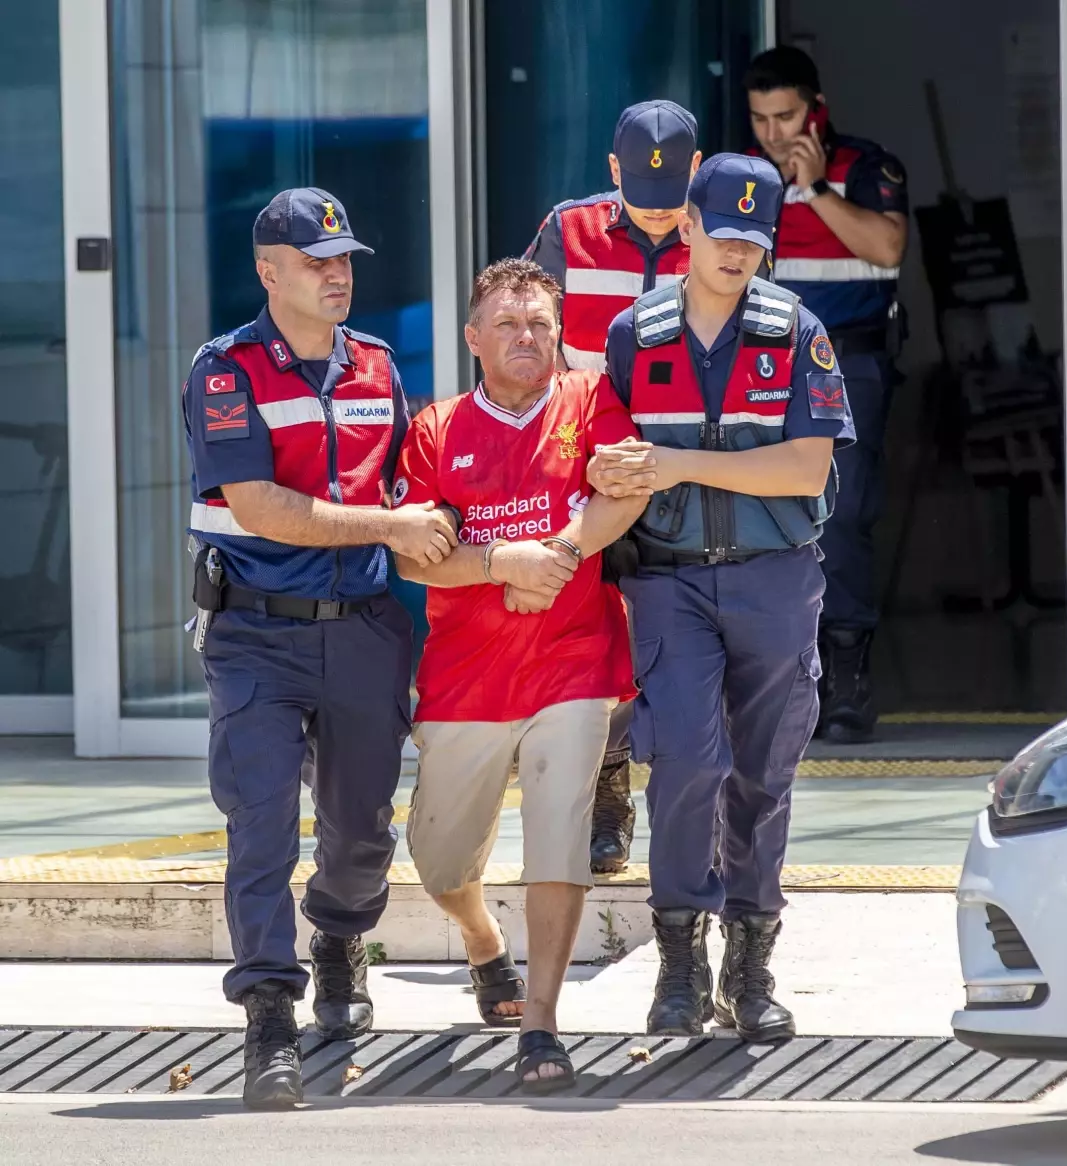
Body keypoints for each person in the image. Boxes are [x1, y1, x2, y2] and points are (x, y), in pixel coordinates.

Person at [182, 187, 458, 1110]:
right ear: (270, 272)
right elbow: (261, 509)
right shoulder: (225, 373)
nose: (337, 275)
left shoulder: (378, 366)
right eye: (316, 262)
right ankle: (269, 1014)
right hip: (255, 633)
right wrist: (391, 522)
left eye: (344, 260)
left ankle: (339, 936)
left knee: (360, 832)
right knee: (260, 827)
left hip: (366, 632)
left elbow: (422, 488)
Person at [589, 154, 855, 1041]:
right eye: (724, 234)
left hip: (773, 579)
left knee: (761, 776)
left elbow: (807, 465)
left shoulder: (796, 331)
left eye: (754, 238)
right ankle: (678, 964)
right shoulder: (635, 333)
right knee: (687, 768)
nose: (738, 252)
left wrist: (684, 463)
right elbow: (610, 456)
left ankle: (751, 966)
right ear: (689, 228)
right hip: (668, 582)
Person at [393, 258, 647, 1093]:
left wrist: (567, 552)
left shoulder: (590, 398)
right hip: (465, 677)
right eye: (507, 323)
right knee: (436, 861)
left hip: (573, 663)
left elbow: (626, 491)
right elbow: (420, 558)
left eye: (540, 322)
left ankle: (541, 1025)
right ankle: (479, 940)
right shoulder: (434, 429)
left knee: (559, 831)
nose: (526, 336)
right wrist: (504, 562)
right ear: (474, 339)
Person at [524, 99, 700, 874]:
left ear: (696, 173)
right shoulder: (567, 233)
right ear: (611, 173)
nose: (659, 221)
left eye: (672, 206)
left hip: (692, 473)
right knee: (597, 633)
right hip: (587, 467)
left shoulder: (718, 233)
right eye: (640, 202)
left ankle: (693, 811)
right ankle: (607, 788)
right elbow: (527, 342)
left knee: (683, 635)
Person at [745, 45, 909, 743]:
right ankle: (781, 678)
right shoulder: (744, 180)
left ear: (818, 110)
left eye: (786, 116)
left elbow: (888, 248)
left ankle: (847, 678)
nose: (775, 134)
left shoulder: (867, 167)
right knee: (760, 518)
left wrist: (815, 192)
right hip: (759, 370)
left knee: (839, 521)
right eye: (760, 120)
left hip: (847, 365)